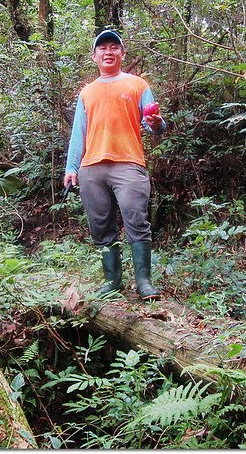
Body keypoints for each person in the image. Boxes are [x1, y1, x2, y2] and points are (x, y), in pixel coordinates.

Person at [63, 30, 166, 300]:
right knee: (100, 226)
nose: (108, 52)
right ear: (94, 56)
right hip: (91, 167)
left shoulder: (138, 85)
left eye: (113, 47)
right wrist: (71, 167)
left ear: (122, 54)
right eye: (103, 48)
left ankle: (143, 282)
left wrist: (156, 123)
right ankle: (112, 281)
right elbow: (78, 133)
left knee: (136, 219)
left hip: (128, 162)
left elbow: (153, 122)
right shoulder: (87, 92)